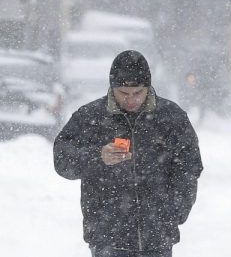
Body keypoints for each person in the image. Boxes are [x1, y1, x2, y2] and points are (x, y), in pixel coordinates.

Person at [54, 50, 203, 257]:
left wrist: (173, 213)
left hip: (157, 239)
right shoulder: (91, 117)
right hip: (107, 237)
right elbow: (62, 160)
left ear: (148, 87)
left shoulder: (171, 117)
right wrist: (97, 157)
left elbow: (189, 167)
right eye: (124, 93)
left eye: (138, 93)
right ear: (112, 87)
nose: (131, 100)